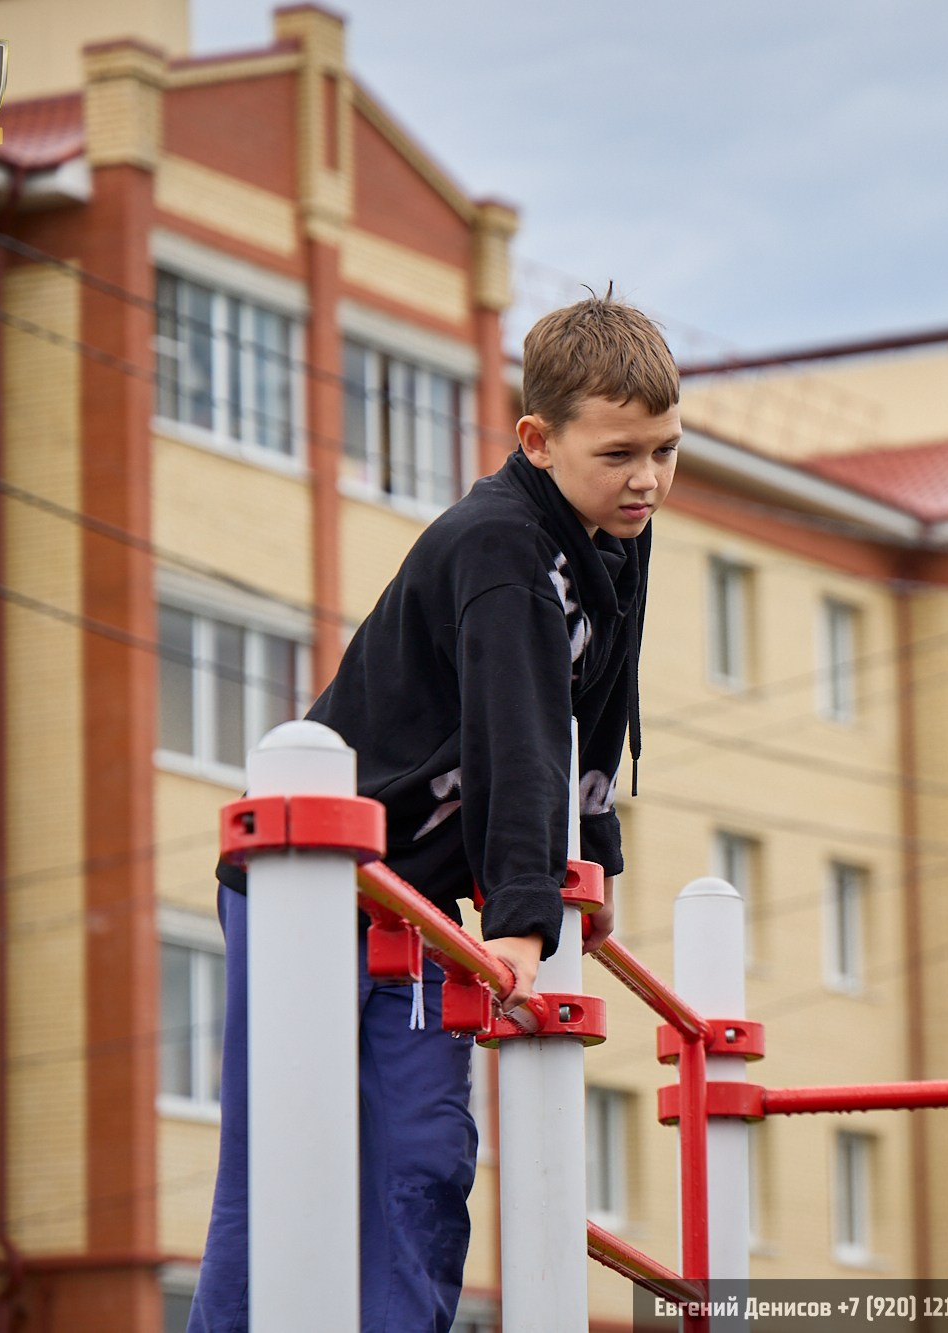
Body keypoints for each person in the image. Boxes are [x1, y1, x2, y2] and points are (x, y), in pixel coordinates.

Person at [189, 295, 681, 1332]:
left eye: (666, 451)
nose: (646, 478)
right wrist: (517, 916)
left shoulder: (615, 535)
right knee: (287, 1157)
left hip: (413, 907)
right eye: (620, 453)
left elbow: (593, 713)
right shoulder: (499, 548)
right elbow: (517, 733)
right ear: (536, 441)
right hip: (320, 884)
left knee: (419, 1152)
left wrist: (589, 871)